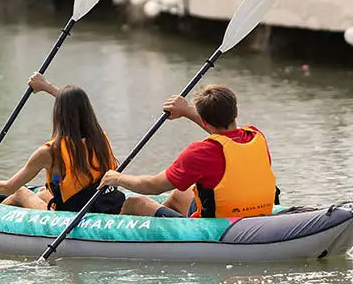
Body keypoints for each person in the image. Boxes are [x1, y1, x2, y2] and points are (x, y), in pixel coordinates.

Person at [100, 84, 277, 219]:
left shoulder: (200, 152)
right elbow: (225, 136)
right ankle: (173, 229)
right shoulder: (255, 135)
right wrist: (185, 111)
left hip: (218, 223)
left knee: (135, 203)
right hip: (257, 211)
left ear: (205, 121)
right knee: (180, 193)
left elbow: (153, 186)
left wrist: (116, 178)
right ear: (236, 112)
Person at [0, 73, 125, 214]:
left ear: (58, 114)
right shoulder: (100, 138)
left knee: (20, 192)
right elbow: (76, 108)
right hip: (103, 202)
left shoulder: (49, 152)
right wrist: (45, 86)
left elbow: (7, 188)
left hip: (71, 214)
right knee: (42, 193)